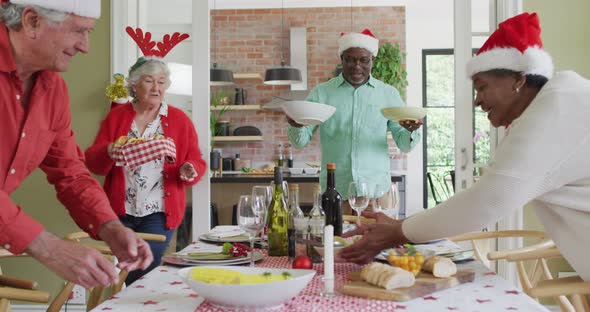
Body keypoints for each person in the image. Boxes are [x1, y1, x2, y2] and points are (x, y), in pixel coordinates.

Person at [341, 12, 590, 282]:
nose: (477, 101)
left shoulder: (554, 111)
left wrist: (398, 231)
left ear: (519, 79)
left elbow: (487, 200)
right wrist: (400, 227)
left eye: (481, 87)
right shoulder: (554, 103)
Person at [0, 0, 153, 289]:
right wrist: (48, 247)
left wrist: (111, 227)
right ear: (32, 21)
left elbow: (71, 173)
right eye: (78, 31)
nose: (85, 47)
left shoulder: (53, 90)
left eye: (89, 33)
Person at [84, 29, 206, 285]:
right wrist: (109, 150)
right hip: (120, 211)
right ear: (134, 84)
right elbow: (93, 162)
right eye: (150, 80)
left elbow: (196, 160)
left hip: (159, 213)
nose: (157, 87)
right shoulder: (116, 117)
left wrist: (189, 168)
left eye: (162, 82)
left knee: (143, 270)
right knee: (126, 270)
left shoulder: (179, 120)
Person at [287, 28, 423, 210]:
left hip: (376, 194)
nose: (356, 66)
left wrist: (410, 130)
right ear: (341, 59)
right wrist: (296, 125)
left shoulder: (388, 94)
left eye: (363, 60)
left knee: (380, 239)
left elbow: (405, 145)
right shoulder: (322, 93)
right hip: (335, 193)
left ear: (372, 60)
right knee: (333, 239)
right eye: (349, 60)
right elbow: (299, 142)